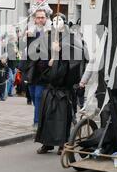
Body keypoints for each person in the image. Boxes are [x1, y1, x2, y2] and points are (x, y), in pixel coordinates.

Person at [35, 13, 88, 155]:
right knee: (46, 118)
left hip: (64, 88)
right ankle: (47, 143)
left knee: (63, 119)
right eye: (54, 20)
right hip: (51, 86)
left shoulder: (71, 38)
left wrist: (60, 53)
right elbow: (41, 57)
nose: (56, 23)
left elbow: (75, 59)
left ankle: (62, 144)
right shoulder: (48, 37)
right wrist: (50, 59)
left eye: (59, 20)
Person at [22, 0, 53, 129]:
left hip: (43, 69)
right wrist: (24, 37)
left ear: (46, 18)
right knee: (33, 95)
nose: (40, 19)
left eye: (42, 17)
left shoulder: (51, 31)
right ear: (34, 18)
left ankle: (37, 122)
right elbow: (23, 49)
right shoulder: (30, 30)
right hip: (31, 69)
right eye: (38, 17)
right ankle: (42, 116)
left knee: (40, 95)